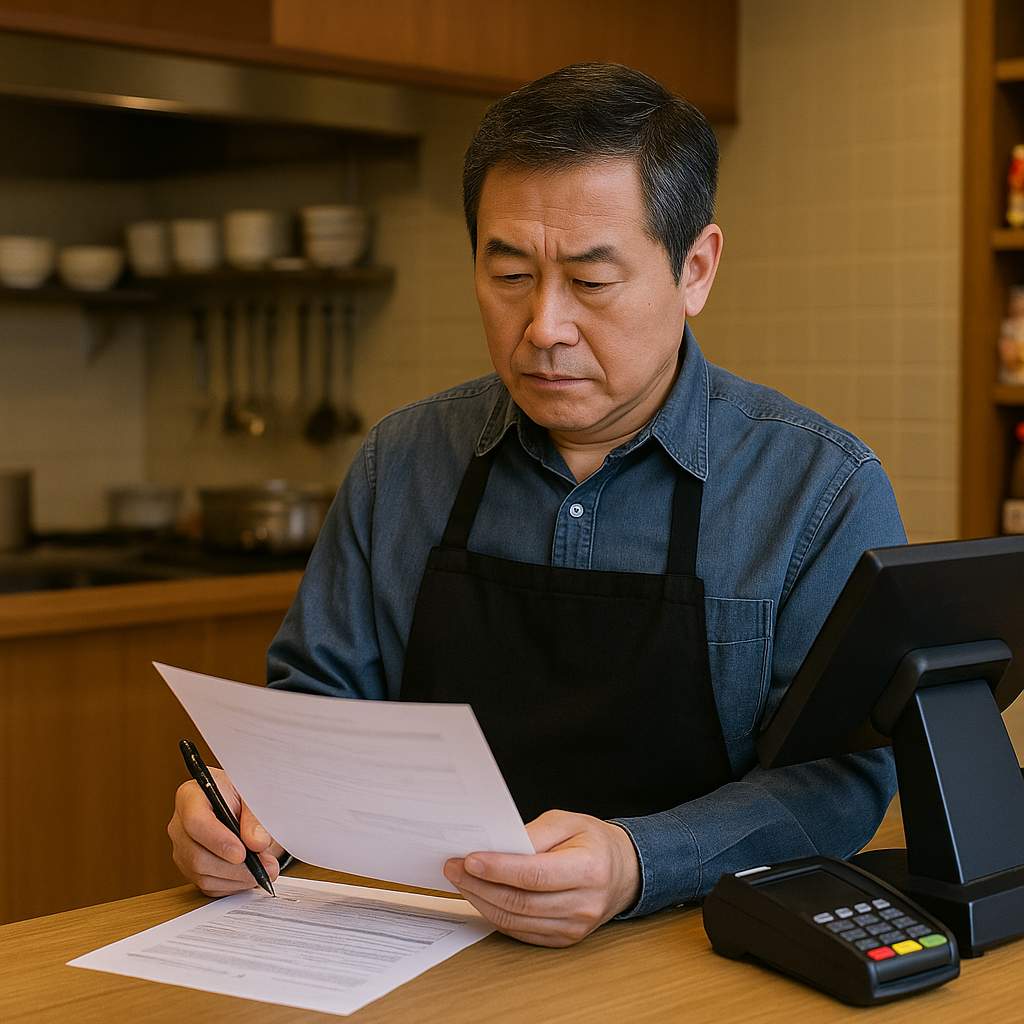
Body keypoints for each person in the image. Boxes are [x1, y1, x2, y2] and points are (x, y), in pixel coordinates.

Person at [168, 62, 905, 948]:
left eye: (591, 282)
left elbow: (840, 778)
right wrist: (247, 805)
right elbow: (318, 706)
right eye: (509, 273)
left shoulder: (818, 491)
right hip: (419, 948)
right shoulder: (401, 463)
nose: (544, 326)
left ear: (696, 268)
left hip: (695, 953)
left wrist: (636, 861)